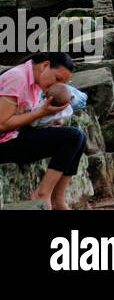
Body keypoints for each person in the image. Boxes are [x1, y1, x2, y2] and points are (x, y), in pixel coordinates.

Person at [0, 52, 87, 209]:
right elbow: (2, 124)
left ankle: (58, 199)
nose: (57, 85)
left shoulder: (35, 82)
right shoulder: (18, 77)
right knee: (73, 136)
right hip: (4, 141)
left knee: (79, 137)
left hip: (15, 135)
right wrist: (42, 113)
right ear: (45, 66)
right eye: (57, 79)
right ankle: (42, 194)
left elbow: (24, 117)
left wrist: (49, 120)